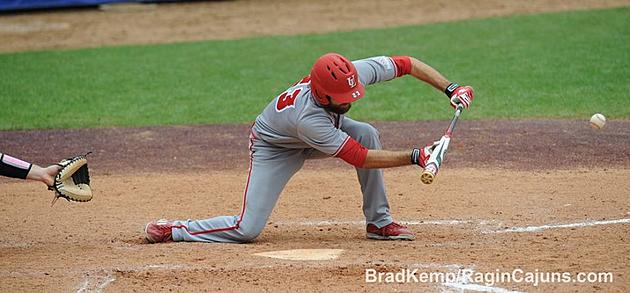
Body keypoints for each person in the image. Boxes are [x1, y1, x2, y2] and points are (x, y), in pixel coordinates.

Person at [145, 53, 474, 243]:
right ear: (321, 93)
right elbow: (358, 158)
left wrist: (451, 88)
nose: (349, 101)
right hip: (275, 146)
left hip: (321, 129)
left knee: (367, 132)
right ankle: (177, 230)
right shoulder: (309, 118)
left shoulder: (346, 75)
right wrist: (416, 156)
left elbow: (405, 63)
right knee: (247, 229)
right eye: (341, 100)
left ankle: (379, 222)